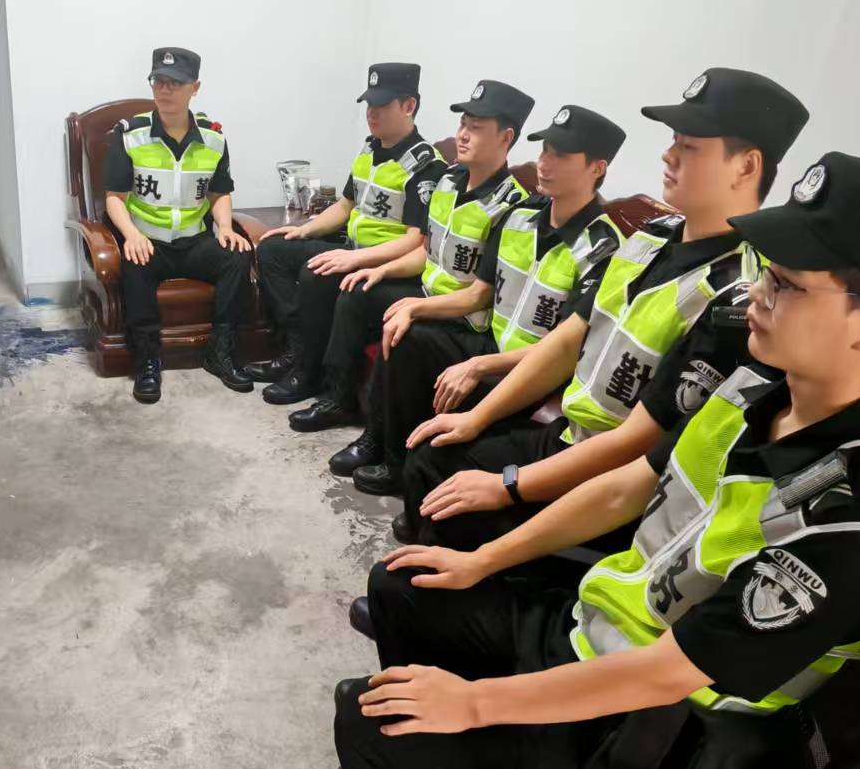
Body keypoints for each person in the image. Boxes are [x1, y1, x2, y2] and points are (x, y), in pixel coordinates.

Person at [331, 152, 860, 769]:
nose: (756, 296)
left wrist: (472, 703)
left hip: (643, 732)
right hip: (592, 631)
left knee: (365, 719)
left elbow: (666, 674)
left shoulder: (856, 528)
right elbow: (628, 488)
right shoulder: (755, 391)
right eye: (765, 274)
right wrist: (482, 561)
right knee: (404, 586)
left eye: (786, 285)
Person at [390, 68, 809, 559]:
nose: (668, 155)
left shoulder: (736, 299)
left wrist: (509, 485)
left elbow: (639, 444)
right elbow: (569, 339)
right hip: (570, 434)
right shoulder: (649, 239)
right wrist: (476, 418)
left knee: (459, 508)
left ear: (745, 166)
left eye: (689, 146)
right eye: (673, 141)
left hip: (616, 480)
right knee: (435, 456)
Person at [345, 104, 626, 496]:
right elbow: (481, 292)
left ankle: (419, 469)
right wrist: (414, 307)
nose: (544, 164)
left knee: (438, 439)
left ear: (597, 168)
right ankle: (391, 458)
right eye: (544, 151)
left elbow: (564, 350)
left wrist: (478, 366)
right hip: (491, 343)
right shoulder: (521, 215)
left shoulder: (603, 249)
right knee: (407, 336)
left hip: (536, 371)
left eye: (561, 156)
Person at [304, 79, 533, 446]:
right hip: (426, 292)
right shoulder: (449, 181)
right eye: (462, 125)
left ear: (506, 138)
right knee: (357, 288)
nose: (462, 135)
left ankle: (379, 438)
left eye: (476, 128)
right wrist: (379, 270)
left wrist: (416, 307)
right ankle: (338, 398)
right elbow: (426, 250)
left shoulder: (511, 207)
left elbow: (481, 296)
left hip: (462, 317)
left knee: (403, 333)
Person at [247, 63, 444, 414]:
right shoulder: (370, 150)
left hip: (386, 264)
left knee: (316, 273)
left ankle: (313, 376)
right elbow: (345, 205)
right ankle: (296, 349)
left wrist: (353, 259)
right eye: (369, 105)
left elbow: (417, 240)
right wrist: (302, 230)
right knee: (273, 249)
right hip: (353, 249)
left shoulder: (425, 166)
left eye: (381, 105)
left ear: (409, 106)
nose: (371, 113)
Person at [103, 47, 253, 403]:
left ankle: (221, 350)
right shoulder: (131, 135)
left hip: (193, 241)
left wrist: (225, 227)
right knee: (134, 263)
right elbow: (114, 197)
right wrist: (131, 234)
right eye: (158, 81)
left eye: (175, 83)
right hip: (149, 239)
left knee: (237, 256)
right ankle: (148, 359)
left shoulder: (213, 138)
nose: (164, 89)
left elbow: (219, 192)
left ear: (194, 88)